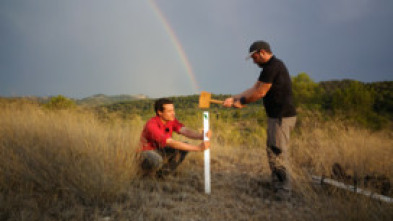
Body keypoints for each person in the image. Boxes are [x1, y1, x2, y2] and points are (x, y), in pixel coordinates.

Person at [223, 40, 297, 199]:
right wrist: (233, 98)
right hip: (276, 118)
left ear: (262, 52)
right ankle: (277, 184)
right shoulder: (269, 67)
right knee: (272, 151)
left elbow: (260, 93)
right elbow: (253, 89)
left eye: (254, 57)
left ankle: (283, 192)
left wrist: (242, 103)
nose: (254, 61)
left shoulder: (273, 67)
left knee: (277, 153)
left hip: (281, 118)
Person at [139, 98, 211, 178]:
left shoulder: (171, 120)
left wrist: (201, 136)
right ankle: (144, 176)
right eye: (169, 111)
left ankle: (162, 175)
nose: (173, 113)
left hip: (161, 149)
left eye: (173, 110)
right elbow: (171, 143)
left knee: (184, 147)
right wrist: (198, 148)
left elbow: (184, 131)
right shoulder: (151, 125)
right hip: (146, 152)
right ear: (159, 112)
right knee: (156, 160)